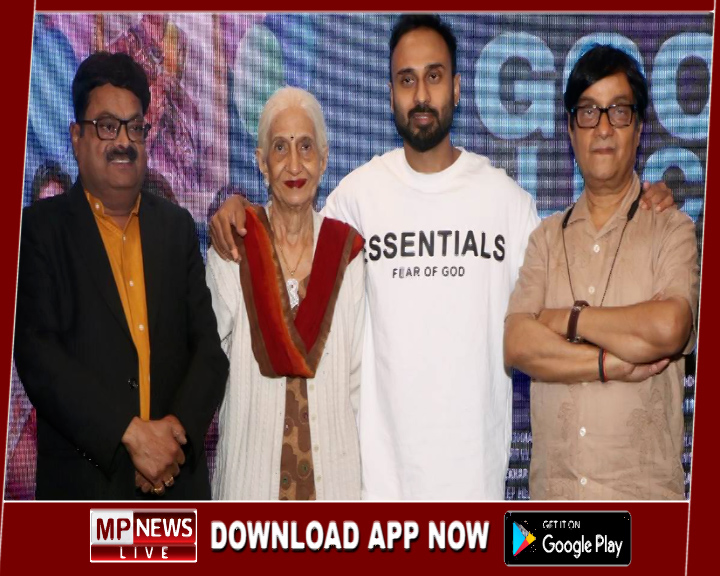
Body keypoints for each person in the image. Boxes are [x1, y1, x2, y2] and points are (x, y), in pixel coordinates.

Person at [209, 15, 674, 500]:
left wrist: (636, 200)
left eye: (434, 76)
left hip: (474, 495)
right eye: (406, 80)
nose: (421, 95)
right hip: (377, 499)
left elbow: (565, 301)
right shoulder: (356, 199)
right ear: (390, 93)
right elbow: (290, 233)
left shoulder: (507, 203)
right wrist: (236, 207)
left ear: (456, 87)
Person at [13, 51, 228, 499]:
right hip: (85, 493)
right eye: (107, 126)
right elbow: (38, 356)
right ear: (76, 137)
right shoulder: (38, 230)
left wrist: (170, 443)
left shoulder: (177, 229)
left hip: (176, 491)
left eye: (135, 127)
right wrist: (129, 435)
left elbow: (209, 352)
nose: (124, 141)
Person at [504, 45, 699, 500]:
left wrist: (567, 320)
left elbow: (669, 327)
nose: (604, 128)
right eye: (589, 112)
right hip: (551, 518)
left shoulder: (671, 228)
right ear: (571, 129)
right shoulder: (545, 239)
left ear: (640, 129)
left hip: (644, 508)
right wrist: (610, 364)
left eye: (619, 111)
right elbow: (517, 343)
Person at [207, 87, 365, 500]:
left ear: (324, 159)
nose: (294, 164)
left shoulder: (348, 255)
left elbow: (360, 388)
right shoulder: (234, 249)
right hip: (248, 491)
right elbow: (205, 366)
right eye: (280, 148)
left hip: (335, 493)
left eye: (306, 147)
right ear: (262, 162)